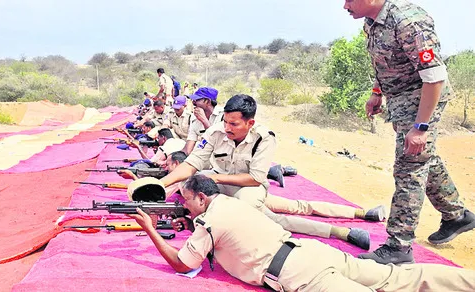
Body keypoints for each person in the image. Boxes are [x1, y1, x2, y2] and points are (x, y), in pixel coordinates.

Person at [127, 175, 475, 292]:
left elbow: (181, 263)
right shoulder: (229, 205)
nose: (185, 206)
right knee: (401, 278)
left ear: (201, 198)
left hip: (299, 274)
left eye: (187, 201)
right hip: (313, 253)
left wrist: (149, 231)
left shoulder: (207, 222)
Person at [344, 0, 475, 265]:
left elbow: (434, 76)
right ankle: (456, 215)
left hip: (423, 97)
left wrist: (420, 127)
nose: (344, 6)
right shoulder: (371, 21)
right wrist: (376, 92)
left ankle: (399, 246)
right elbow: (386, 62)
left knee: (409, 167)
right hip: (401, 98)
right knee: (423, 158)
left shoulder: (408, 21)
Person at [162, 94, 382, 249]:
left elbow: (256, 178)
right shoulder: (215, 132)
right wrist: (160, 185)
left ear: (250, 123)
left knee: (287, 215)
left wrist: (213, 177)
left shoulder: (264, 138)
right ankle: (357, 221)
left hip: (249, 190)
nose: (227, 128)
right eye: (225, 122)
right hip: (220, 189)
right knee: (293, 209)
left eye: (234, 124)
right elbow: (192, 163)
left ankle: (350, 226)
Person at [184, 87, 225, 154]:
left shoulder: (223, 116)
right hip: (203, 153)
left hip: (220, 155)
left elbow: (218, 143)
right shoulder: (194, 117)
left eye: (196, 100)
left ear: (207, 101)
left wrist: (204, 120)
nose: (193, 102)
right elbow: (189, 145)